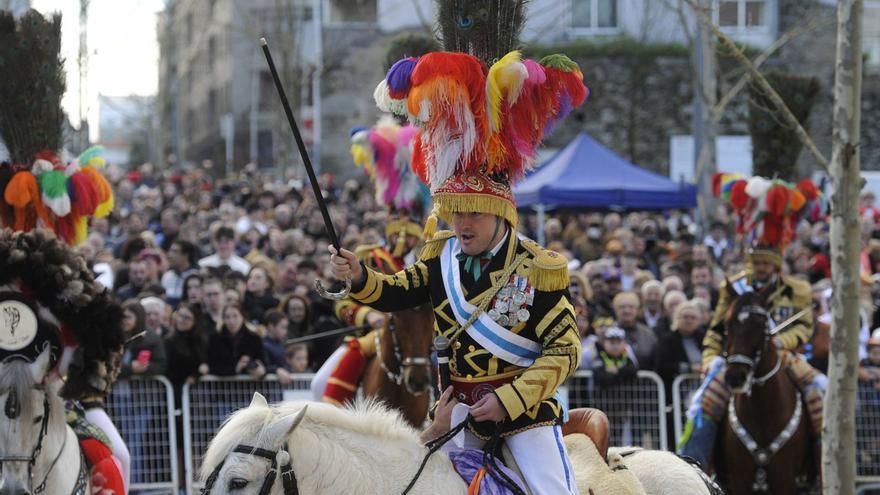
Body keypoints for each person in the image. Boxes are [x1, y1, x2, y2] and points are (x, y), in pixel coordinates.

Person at [330, 48, 587, 494]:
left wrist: (509, 400)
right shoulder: (440, 254)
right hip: (454, 411)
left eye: (474, 214)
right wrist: (358, 277)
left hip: (522, 417)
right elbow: (400, 292)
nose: (462, 223)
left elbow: (564, 351)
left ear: (500, 214)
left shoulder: (537, 269)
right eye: (455, 212)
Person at [678, 174, 827, 471]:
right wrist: (709, 357)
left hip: (784, 357)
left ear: (776, 265)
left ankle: (822, 469)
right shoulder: (734, 288)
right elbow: (718, 329)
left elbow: (805, 326)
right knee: (704, 402)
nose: (760, 268)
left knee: (818, 392)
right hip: (737, 358)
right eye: (756, 263)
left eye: (765, 264)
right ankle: (692, 469)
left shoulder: (797, 289)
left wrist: (782, 342)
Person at [311, 117, 428, 405]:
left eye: (410, 219)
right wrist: (369, 316)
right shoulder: (366, 256)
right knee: (320, 384)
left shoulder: (429, 258)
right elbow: (342, 301)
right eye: (396, 217)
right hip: (371, 338)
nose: (403, 228)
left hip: (421, 342)